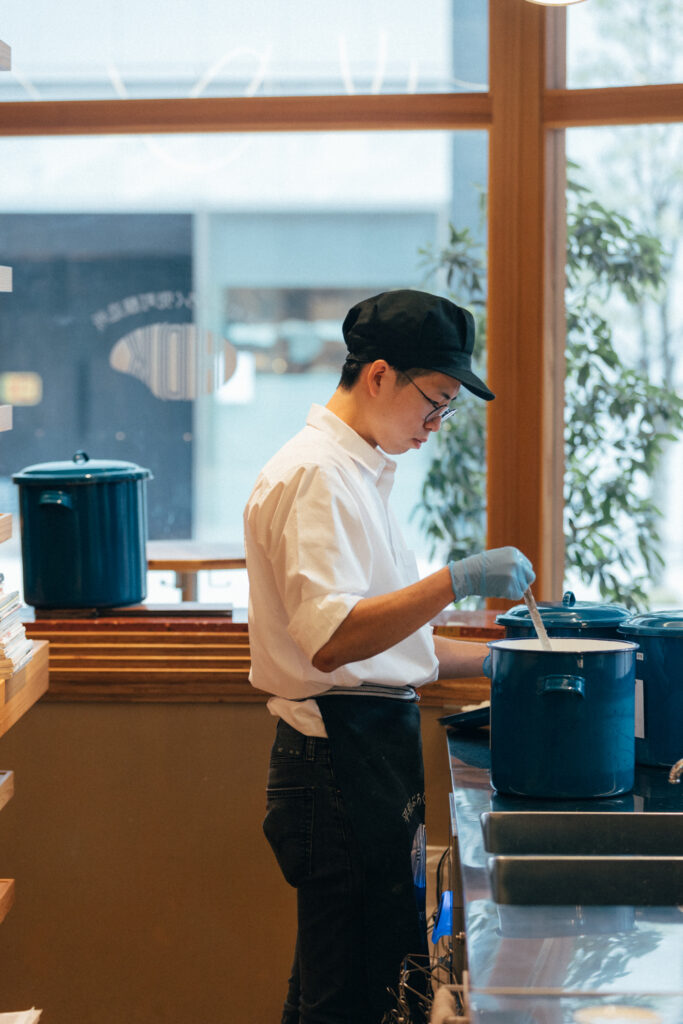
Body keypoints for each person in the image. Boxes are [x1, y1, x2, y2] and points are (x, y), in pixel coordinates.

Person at [244, 288, 534, 1024]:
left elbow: (389, 647)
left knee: (334, 990)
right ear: (378, 376)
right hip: (333, 765)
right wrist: (456, 579)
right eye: (433, 401)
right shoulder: (316, 476)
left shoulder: (359, 472)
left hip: (366, 753)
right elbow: (334, 638)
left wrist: (509, 661)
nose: (436, 425)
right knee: (347, 998)